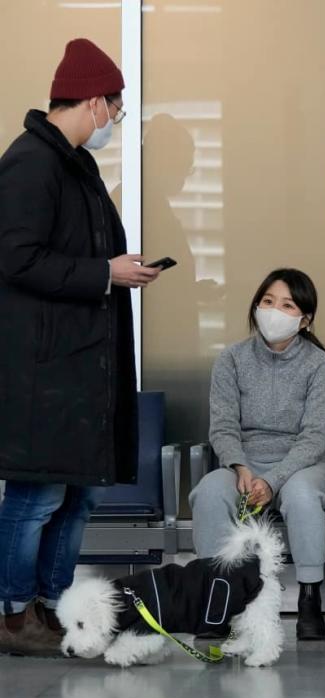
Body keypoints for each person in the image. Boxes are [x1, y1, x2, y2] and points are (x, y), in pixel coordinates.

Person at [0, 38, 162, 656]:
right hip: (44, 370)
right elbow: (16, 260)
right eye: (115, 112)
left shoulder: (76, 165)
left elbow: (81, 253)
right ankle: (14, 615)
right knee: (37, 492)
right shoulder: (30, 163)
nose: (112, 125)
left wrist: (118, 268)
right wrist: (104, 274)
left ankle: (52, 603)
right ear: (93, 101)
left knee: (81, 488)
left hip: (82, 366)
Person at [190, 268, 325, 640]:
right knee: (209, 491)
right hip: (244, 460)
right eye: (268, 301)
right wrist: (240, 467)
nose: (273, 311)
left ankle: (309, 598)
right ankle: (217, 595)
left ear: (304, 320)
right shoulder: (231, 360)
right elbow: (222, 426)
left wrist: (272, 481)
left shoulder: (319, 365)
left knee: (303, 497)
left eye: (287, 305)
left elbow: (315, 436)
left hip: (304, 462)